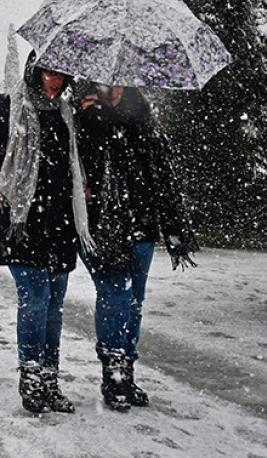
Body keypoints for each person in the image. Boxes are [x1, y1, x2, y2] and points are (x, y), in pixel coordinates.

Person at [0, 53, 92, 414]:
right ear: (35, 71)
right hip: (21, 219)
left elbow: (83, 157)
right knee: (35, 297)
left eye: (63, 73)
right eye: (50, 72)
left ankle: (50, 380)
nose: (56, 80)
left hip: (60, 221)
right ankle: (31, 378)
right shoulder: (7, 106)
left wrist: (94, 110)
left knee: (53, 305)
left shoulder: (68, 113)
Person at [75, 82, 197, 411]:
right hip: (100, 228)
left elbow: (163, 176)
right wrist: (93, 121)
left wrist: (173, 227)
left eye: (118, 79)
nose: (112, 87)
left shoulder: (142, 120)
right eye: (105, 80)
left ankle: (126, 372)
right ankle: (113, 372)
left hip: (140, 227)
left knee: (133, 302)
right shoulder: (81, 118)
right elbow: (70, 166)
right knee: (115, 293)